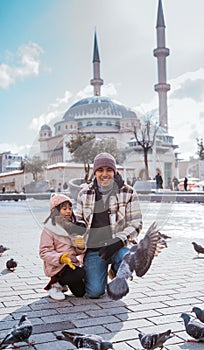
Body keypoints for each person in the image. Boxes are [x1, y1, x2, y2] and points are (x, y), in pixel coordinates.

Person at [75, 152, 143, 299]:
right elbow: (79, 218)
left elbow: (136, 223)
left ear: (114, 171)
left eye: (109, 170)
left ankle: (116, 269)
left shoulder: (128, 192)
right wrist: (78, 228)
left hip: (119, 246)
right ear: (95, 173)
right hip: (95, 249)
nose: (104, 174)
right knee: (94, 292)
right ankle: (94, 272)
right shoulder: (84, 193)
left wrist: (118, 241)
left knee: (128, 258)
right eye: (100, 170)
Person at [39, 193, 86, 301]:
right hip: (57, 267)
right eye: (64, 209)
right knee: (80, 273)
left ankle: (64, 284)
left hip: (71, 265)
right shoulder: (49, 229)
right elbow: (44, 251)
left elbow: (76, 251)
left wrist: (80, 246)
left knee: (80, 293)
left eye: (70, 208)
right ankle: (55, 285)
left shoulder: (71, 227)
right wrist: (60, 258)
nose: (68, 211)